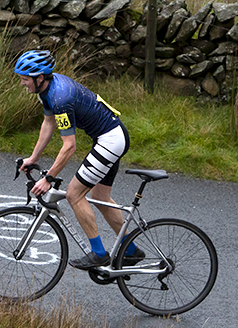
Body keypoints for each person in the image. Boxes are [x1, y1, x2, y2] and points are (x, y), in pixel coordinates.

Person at [15, 49, 144, 270]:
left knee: (75, 194)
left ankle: (99, 254)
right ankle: (131, 251)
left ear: (39, 78)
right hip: (112, 136)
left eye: (25, 79)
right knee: (100, 196)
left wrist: (48, 178)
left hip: (110, 140)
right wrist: (33, 157)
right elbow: (48, 123)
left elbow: (69, 147)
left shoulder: (60, 97)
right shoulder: (47, 90)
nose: (22, 84)